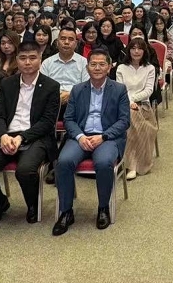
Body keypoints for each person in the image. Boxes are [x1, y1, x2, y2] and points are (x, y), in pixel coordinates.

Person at [52, 49, 130, 235]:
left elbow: (124, 121)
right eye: (93, 64)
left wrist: (103, 136)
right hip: (81, 136)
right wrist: (80, 136)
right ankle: (66, 211)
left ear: (109, 67)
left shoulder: (119, 89)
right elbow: (68, 119)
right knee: (63, 162)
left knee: (103, 162)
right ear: (87, 68)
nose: (97, 68)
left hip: (107, 137)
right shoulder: (78, 90)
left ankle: (103, 208)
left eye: (102, 64)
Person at [116, 37, 158, 180]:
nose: (136, 51)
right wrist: (129, 102)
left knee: (132, 118)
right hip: (124, 104)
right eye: (133, 48)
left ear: (144, 51)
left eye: (139, 48)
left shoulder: (149, 68)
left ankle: (132, 165)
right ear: (129, 50)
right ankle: (132, 164)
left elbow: (148, 90)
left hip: (143, 105)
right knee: (130, 116)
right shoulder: (121, 68)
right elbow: (120, 89)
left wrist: (133, 99)